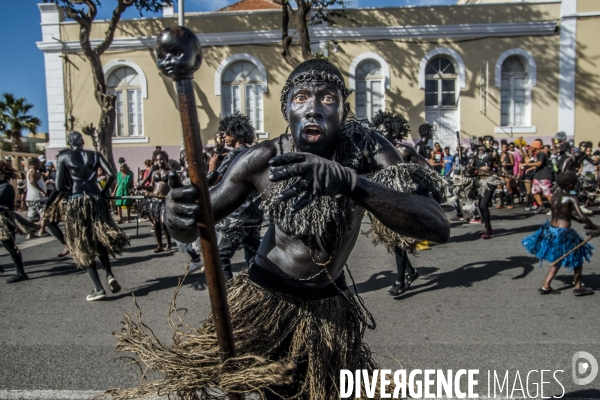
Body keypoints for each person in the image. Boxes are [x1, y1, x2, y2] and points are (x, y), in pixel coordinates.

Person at [110, 57, 450, 399]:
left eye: (328, 98)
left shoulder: (367, 152)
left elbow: (435, 225)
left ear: (344, 111)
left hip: (330, 302)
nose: (314, 109)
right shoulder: (262, 159)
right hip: (269, 302)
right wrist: (175, 216)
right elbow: (195, 223)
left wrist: (352, 183)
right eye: (301, 97)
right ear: (286, 110)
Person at [56, 131, 129, 301]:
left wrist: (71, 190)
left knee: (83, 243)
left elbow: (59, 185)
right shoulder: (94, 155)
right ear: (82, 141)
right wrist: (102, 192)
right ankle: (109, 274)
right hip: (96, 199)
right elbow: (111, 174)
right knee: (100, 237)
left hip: (76, 200)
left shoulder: (64, 157)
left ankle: (98, 288)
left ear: (69, 143)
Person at [522, 171, 599, 296]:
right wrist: (595, 226)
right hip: (564, 232)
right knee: (577, 256)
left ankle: (546, 285)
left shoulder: (555, 195)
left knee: (558, 257)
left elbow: (564, 214)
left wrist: (583, 222)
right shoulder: (571, 197)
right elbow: (583, 216)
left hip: (551, 230)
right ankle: (578, 286)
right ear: (570, 185)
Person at [209, 113, 263, 281]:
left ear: (235, 132)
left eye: (226, 132)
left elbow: (212, 180)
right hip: (254, 215)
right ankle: (258, 289)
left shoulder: (233, 155)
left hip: (236, 217)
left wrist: (212, 166)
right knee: (255, 256)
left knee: (219, 256)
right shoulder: (255, 152)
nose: (223, 136)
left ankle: (229, 298)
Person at [0, 161, 39, 283]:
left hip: (4, 220)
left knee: (10, 247)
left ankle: (21, 272)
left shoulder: (5, 187)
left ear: (2, 173)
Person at [139, 150, 172, 253]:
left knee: (163, 222)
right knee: (156, 223)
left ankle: (169, 243)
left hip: (165, 199)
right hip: (154, 200)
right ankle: (159, 245)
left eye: (162, 159)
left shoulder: (170, 172)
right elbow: (151, 186)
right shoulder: (154, 173)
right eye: (157, 160)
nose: (159, 162)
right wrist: (144, 184)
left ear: (166, 160)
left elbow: (173, 186)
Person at [470, 136, 503, 239]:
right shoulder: (476, 155)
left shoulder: (493, 154)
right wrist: (469, 169)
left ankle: (487, 230)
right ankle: (488, 227)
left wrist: (504, 176)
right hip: (479, 181)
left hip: (489, 181)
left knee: (484, 205)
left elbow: (500, 166)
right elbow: (471, 168)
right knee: (480, 205)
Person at [522, 140, 553, 214]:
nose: (530, 148)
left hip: (544, 176)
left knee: (547, 193)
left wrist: (526, 164)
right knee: (535, 191)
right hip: (538, 175)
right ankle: (541, 206)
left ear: (535, 147)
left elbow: (539, 164)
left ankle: (554, 208)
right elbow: (538, 165)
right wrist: (531, 168)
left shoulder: (541, 153)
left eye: (531, 146)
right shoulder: (537, 154)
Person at [25, 158, 46, 238]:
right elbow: (32, 181)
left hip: (31, 197)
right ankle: (42, 231)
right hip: (37, 197)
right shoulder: (33, 171)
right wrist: (41, 191)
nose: (40, 165)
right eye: (39, 163)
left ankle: (30, 233)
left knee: (32, 216)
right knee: (45, 214)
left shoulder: (30, 172)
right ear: (34, 164)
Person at [498, 143, 515, 209]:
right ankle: (501, 203)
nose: (504, 149)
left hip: (508, 172)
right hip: (500, 172)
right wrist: (500, 165)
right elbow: (495, 164)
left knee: (508, 187)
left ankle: (512, 203)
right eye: (503, 147)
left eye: (505, 147)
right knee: (499, 187)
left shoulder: (509, 155)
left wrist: (506, 164)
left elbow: (513, 163)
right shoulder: (499, 155)